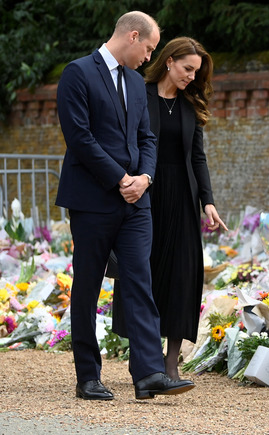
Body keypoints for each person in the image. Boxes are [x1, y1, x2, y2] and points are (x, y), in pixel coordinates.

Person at [56, 11, 194, 400]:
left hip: (137, 202)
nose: (149, 58)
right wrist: (120, 179)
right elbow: (79, 138)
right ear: (133, 36)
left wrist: (145, 179)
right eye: (149, 48)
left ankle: (149, 373)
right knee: (87, 285)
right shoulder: (78, 73)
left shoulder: (135, 82)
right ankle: (88, 376)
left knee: (139, 281)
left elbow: (147, 138)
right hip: (92, 200)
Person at [112, 37, 227, 380]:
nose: (192, 77)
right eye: (187, 68)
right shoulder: (138, 94)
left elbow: (197, 156)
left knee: (182, 275)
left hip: (184, 201)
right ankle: (141, 359)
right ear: (168, 61)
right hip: (144, 197)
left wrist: (208, 201)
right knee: (142, 274)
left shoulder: (191, 104)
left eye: (196, 71)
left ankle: (171, 363)